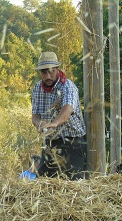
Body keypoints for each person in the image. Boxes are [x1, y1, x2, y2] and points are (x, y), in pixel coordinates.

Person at [31, 51, 87, 180]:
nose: (48, 76)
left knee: (73, 181)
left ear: (57, 69)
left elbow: (67, 110)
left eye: (51, 71)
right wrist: (39, 124)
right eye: (44, 72)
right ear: (40, 73)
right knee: (43, 180)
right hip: (51, 141)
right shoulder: (37, 88)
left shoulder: (68, 86)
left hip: (72, 140)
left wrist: (54, 123)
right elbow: (35, 116)